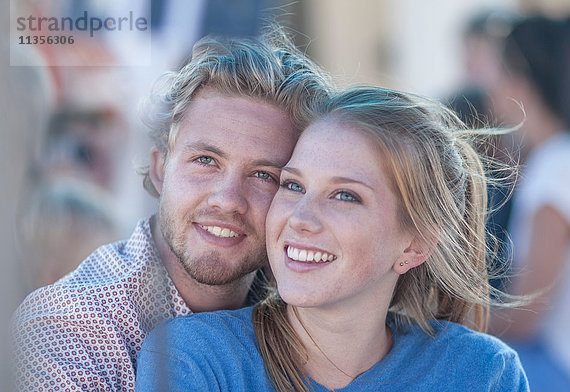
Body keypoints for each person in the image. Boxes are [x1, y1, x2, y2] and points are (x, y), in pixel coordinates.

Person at [136, 87, 529, 391]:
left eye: (345, 196)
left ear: (415, 245)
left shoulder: (482, 372)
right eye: (292, 185)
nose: (301, 219)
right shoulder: (194, 359)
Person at [11, 27, 332, 392]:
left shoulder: (309, 316)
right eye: (206, 160)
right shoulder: (69, 329)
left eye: (264, 175)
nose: (227, 199)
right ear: (160, 169)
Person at [489, 15, 570, 392]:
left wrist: (441, 318)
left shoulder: (560, 170)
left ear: (519, 80)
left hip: (566, 370)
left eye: (497, 73)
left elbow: (526, 316)